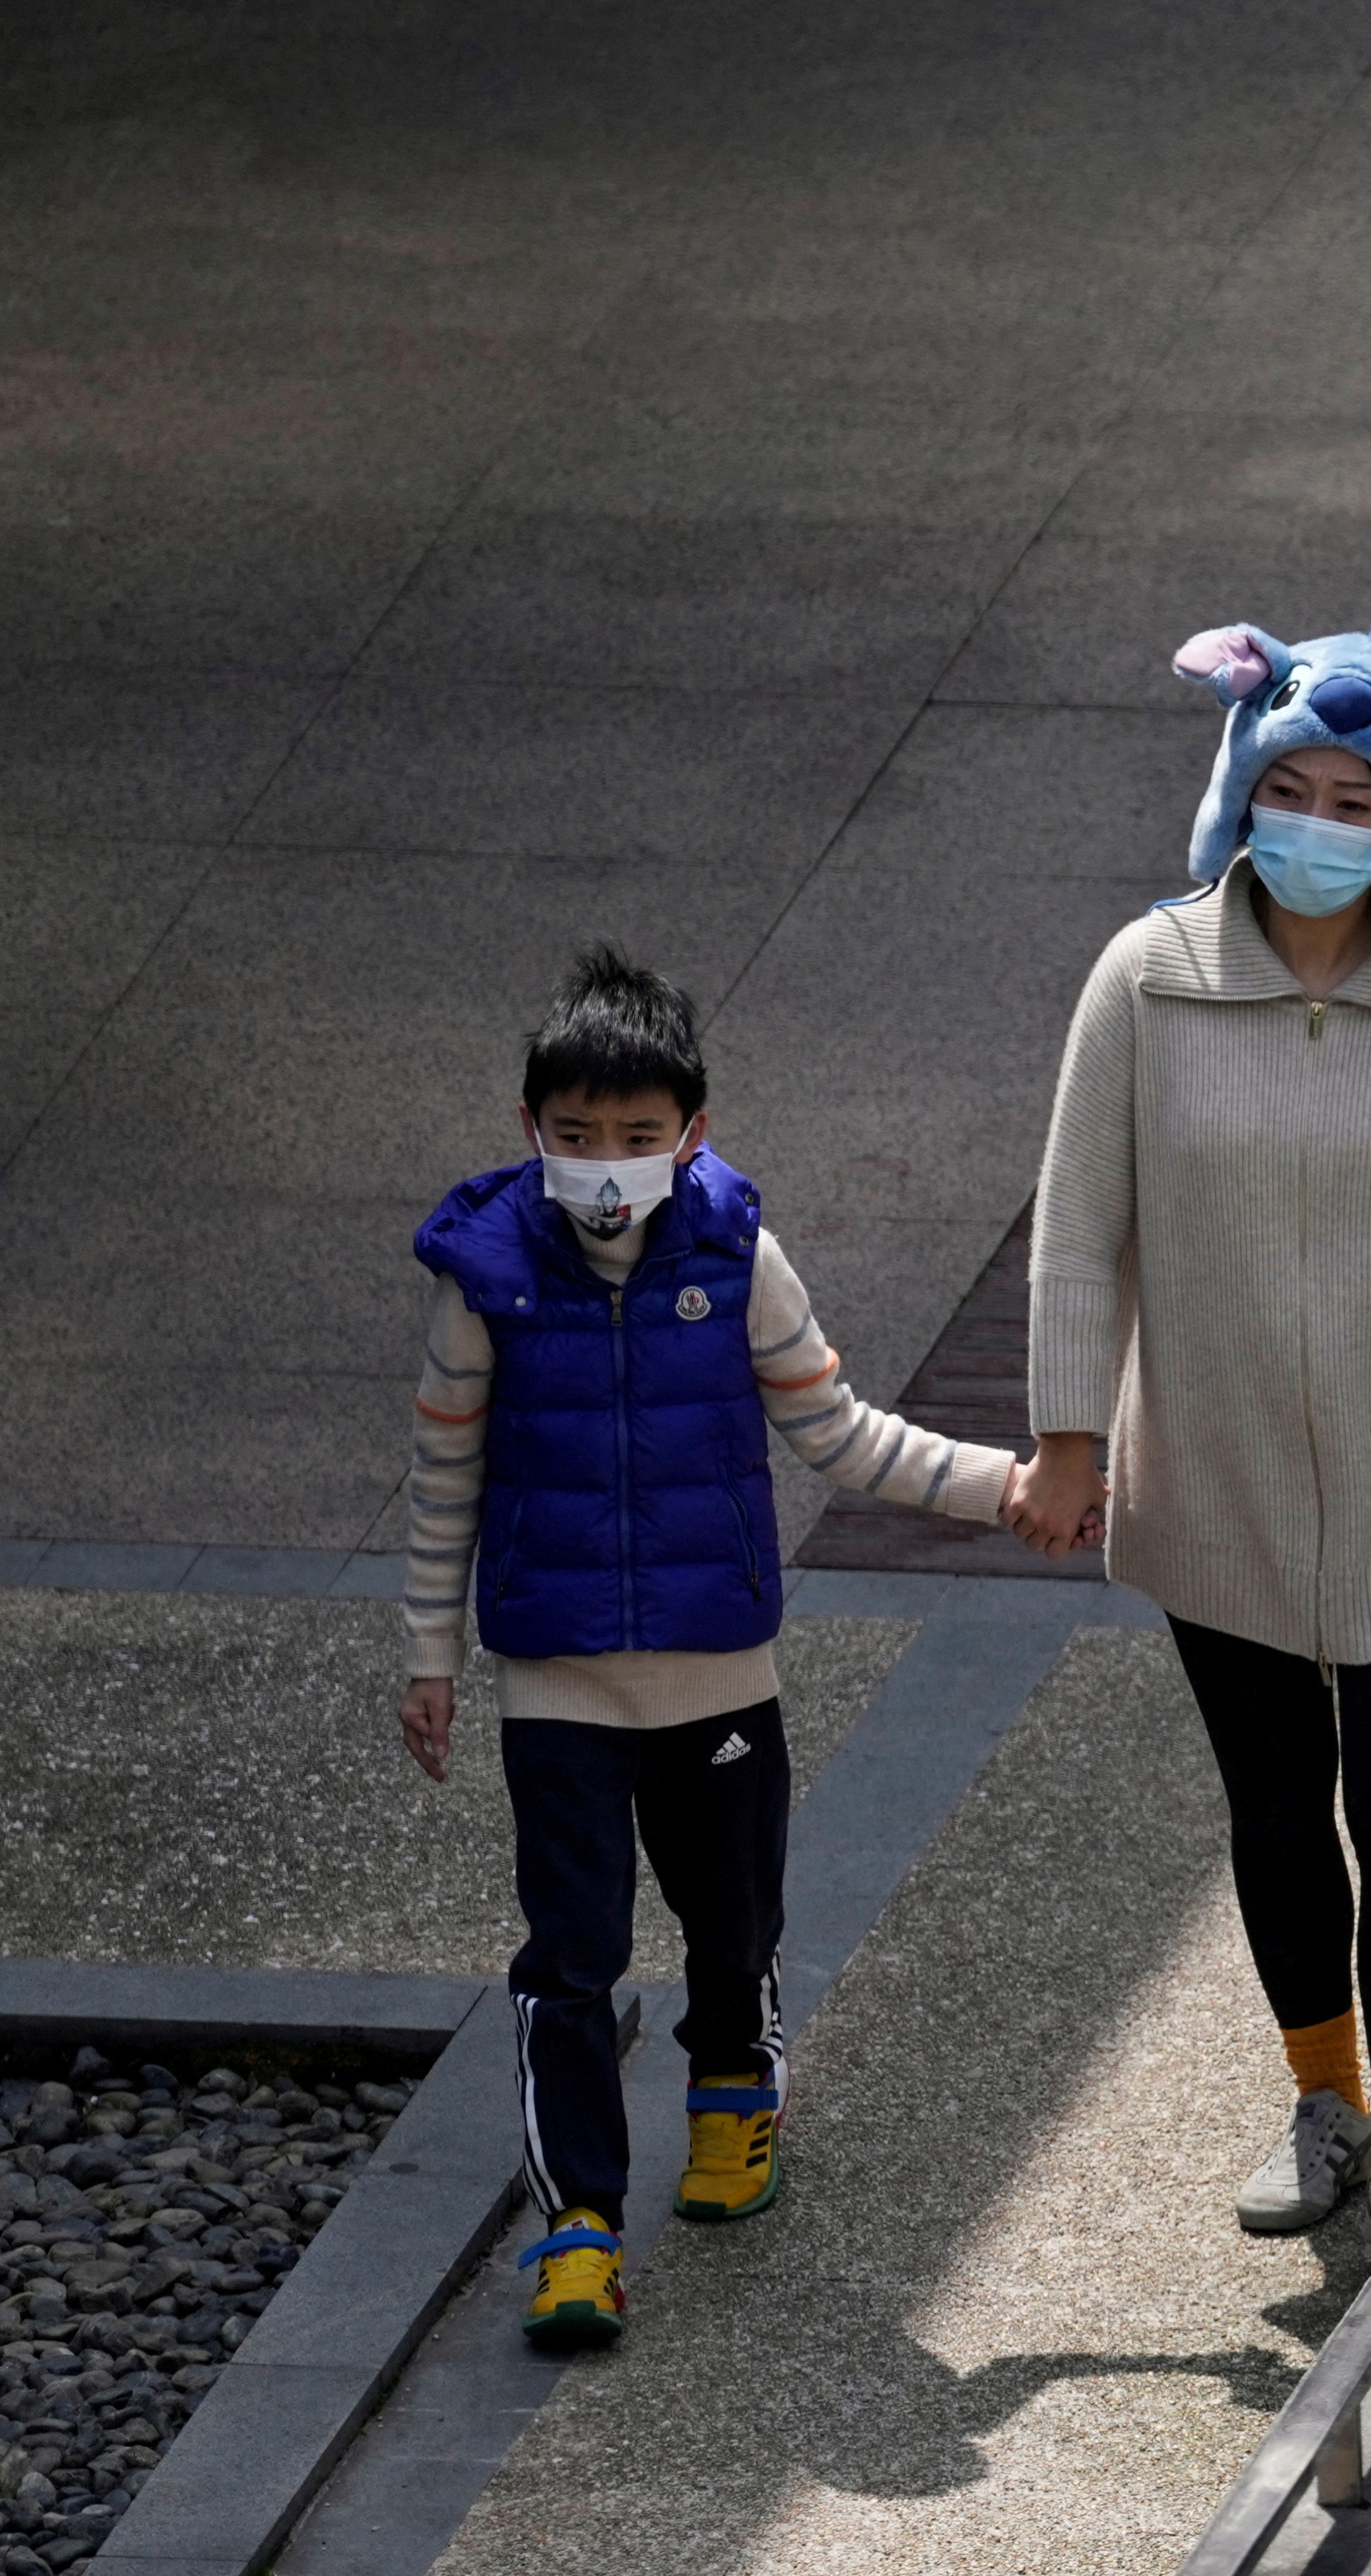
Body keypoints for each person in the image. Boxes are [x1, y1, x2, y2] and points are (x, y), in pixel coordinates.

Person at [1011, 620, 1371, 2249]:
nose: (1326, 821)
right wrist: (1070, 1433)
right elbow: (1078, 1229)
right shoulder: (1148, 979)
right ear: (1242, 789)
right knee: (1274, 1812)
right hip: (1215, 1479)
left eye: (1362, 797)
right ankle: (1324, 2101)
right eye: (1298, 787)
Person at [396, 945, 1031, 2348]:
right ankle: (579, 2227)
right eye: (576, 1137)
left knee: (731, 1920)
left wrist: (1008, 1486)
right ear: (531, 1133)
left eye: (636, 1137)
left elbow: (842, 1433)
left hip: (718, 1673)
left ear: (694, 1130)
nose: (606, 1164)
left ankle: (737, 2089)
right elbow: (445, 1476)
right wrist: (429, 1651)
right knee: (571, 1955)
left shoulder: (738, 1253)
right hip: (556, 1677)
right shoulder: (485, 1276)